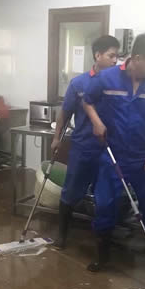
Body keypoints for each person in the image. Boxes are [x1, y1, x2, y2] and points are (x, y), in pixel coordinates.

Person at [82, 33, 145, 275]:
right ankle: (102, 258)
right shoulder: (107, 77)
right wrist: (96, 122)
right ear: (137, 58)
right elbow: (87, 100)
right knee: (105, 206)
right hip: (112, 157)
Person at [52, 35, 120, 248]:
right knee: (71, 191)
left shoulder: (119, 83)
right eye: (111, 56)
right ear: (98, 55)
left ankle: (103, 243)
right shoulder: (79, 83)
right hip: (83, 147)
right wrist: (56, 138)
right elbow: (65, 113)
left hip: (109, 149)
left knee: (106, 196)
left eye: (117, 56)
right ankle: (62, 235)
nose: (115, 60)